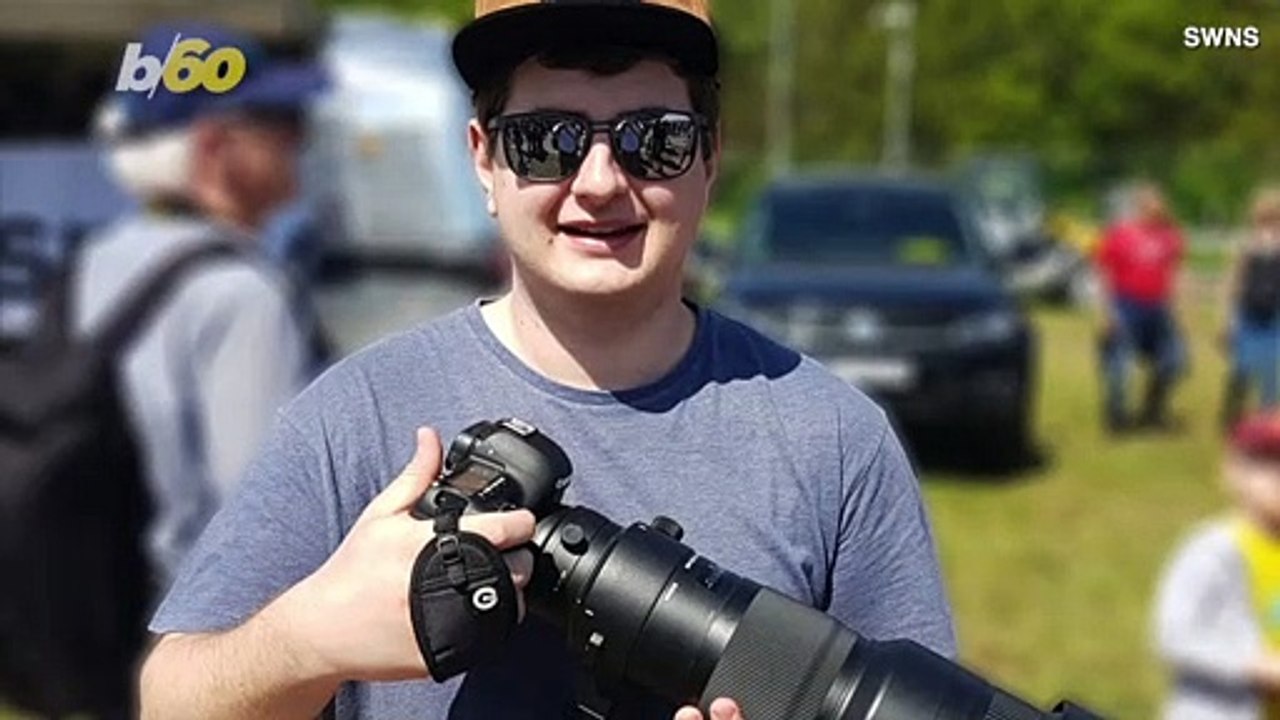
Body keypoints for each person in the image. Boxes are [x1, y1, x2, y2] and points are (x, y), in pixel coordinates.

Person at [138, 3, 956, 719]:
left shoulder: (835, 440)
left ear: (710, 158)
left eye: (654, 141)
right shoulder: (356, 415)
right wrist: (308, 637)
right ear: (483, 161)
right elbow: (171, 701)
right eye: (545, 142)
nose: (599, 182)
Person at [84, 22, 328, 587]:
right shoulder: (241, 294)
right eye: (283, 121)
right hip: (202, 633)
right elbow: (267, 519)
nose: (301, 140)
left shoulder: (97, 261)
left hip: (98, 630)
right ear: (217, 148)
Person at [1154, 412, 1280, 720]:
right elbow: (1173, 635)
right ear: (1232, 471)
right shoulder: (1213, 550)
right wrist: (1255, 665)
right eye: (1268, 465)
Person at [1095, 182, 1188, 433]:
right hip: (1126, 305)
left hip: (1158, 307)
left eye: (1160, 205)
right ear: (1140, 207)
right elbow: (1105, 273)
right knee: (1119, 365)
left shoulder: (1171, 236)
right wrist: (1107, 312)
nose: (1157, 210)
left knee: (1175, 360)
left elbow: (1175, 274)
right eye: (1151, 206)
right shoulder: (1120, 234)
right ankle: (1116, 418)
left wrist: (1178, 309)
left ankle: (1153, 409)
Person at [1221, 188, 1280, 429]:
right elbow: (1233, 283)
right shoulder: (1245, 247)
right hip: (1248, 313)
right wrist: (1229, 320)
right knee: (1242, 367)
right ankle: (1231, 416)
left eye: (1272, 218)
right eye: (1263, 219)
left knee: (1271, 369)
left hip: (1274, 316)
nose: (1267, 225)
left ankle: (1269, 418)